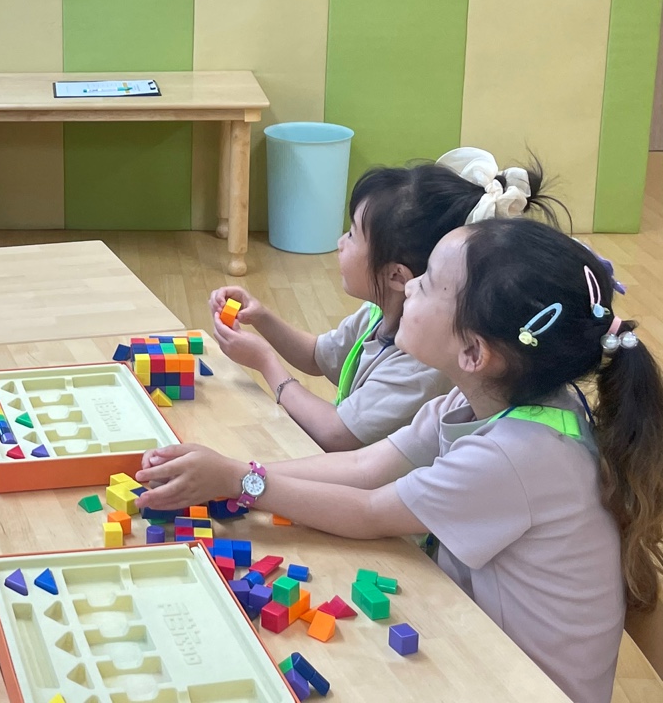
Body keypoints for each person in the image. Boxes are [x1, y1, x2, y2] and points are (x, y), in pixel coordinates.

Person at [135, 218, 663, 703]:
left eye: (430, 283)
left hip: (513, 683)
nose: (409, 286)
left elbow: (368, 511)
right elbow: (366, 467)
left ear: (474, 353)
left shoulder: (517, 454)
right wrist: (233, 474)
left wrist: (240, 482)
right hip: (476, 646)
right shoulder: (486, 397)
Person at [209, 148, 551, 449]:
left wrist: (267, 364)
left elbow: (335, 434)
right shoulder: (380, 312)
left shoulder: (421, 361)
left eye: (353, 235)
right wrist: (263, 317)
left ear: (396, 276)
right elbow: (319, 355)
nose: (341, 242)